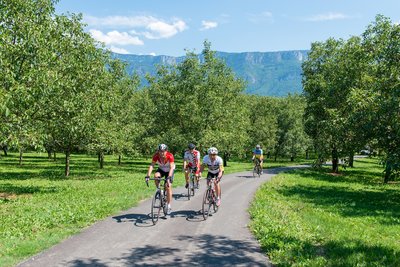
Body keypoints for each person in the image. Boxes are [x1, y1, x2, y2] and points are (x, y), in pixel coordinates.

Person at [145, 144, 175, 215]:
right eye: (160, 151)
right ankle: (160, 190)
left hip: (169, 171)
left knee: (168, 186)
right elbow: (152, 165)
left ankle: (169, 205)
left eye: (163, 151)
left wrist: (169, 177)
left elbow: (171, 168)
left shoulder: (170, 156)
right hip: (161, 169)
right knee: (156, 176)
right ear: (158, 151)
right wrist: (148, 175)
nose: (161, 153)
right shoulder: (156, 156)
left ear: (166, 151)